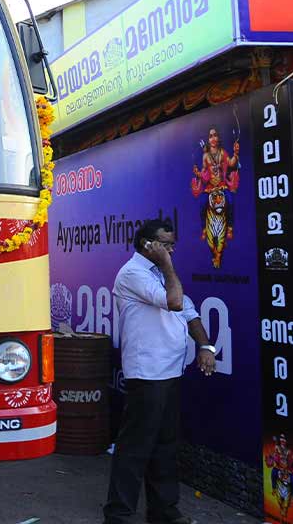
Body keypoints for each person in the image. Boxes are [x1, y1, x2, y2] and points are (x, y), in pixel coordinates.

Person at [103, 218, 217, 524]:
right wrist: (166, 264)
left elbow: (190, 312)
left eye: (172, 245)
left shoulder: (162, 273)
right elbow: (175, 301)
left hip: (170, 371)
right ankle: (119, 514)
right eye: (165, 244)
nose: (171, 250)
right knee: (135, 446)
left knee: (165, 445)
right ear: (147, 245)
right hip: (147, 372)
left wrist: (205, 347)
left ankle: (164, 511)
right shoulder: (132, 273)